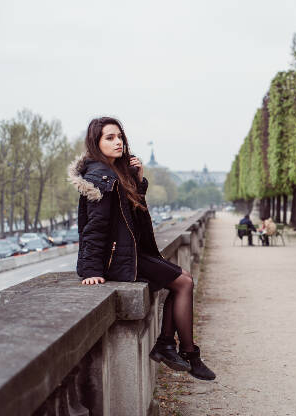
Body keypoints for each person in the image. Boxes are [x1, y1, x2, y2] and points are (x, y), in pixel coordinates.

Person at [69, 117, 215, 380]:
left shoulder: (115, 173)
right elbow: (94, 227)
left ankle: (168, 346)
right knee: (183, 283)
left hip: (130, 252)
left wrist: (138, 180)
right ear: (96, 142)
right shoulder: (100, 178)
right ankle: (186, 354)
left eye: (120, 137)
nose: (118, 142)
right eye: (109, 138)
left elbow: (132, 214)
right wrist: (91, 269)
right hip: (117, 259)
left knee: (182, 282)